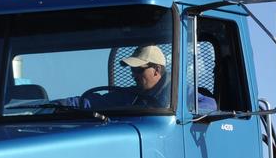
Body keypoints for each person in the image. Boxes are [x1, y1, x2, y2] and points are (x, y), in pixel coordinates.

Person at [75, 45, 217, 112]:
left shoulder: (178, 92)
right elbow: (95, 102)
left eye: (138, 70)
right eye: (132, 70)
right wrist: (58, 105)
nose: (133, 75)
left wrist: (189, 114)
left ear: (157, 70)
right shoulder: (131, 95)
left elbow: (209, 105)